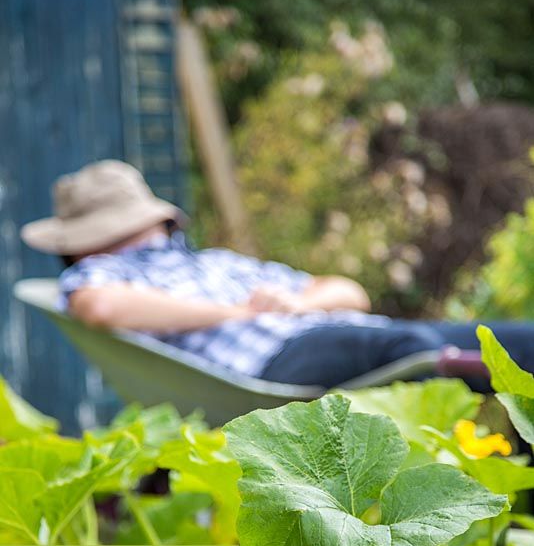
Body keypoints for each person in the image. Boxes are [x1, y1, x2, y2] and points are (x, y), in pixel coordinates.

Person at [21, 160, 534, 389]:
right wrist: (234, 311)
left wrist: (300, 303)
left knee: (517, 341)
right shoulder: (100, 273)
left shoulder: (214, 262)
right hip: (277, 362)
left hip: (336, 332)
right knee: (416, 347)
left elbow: (349, 293)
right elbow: (102, 308)